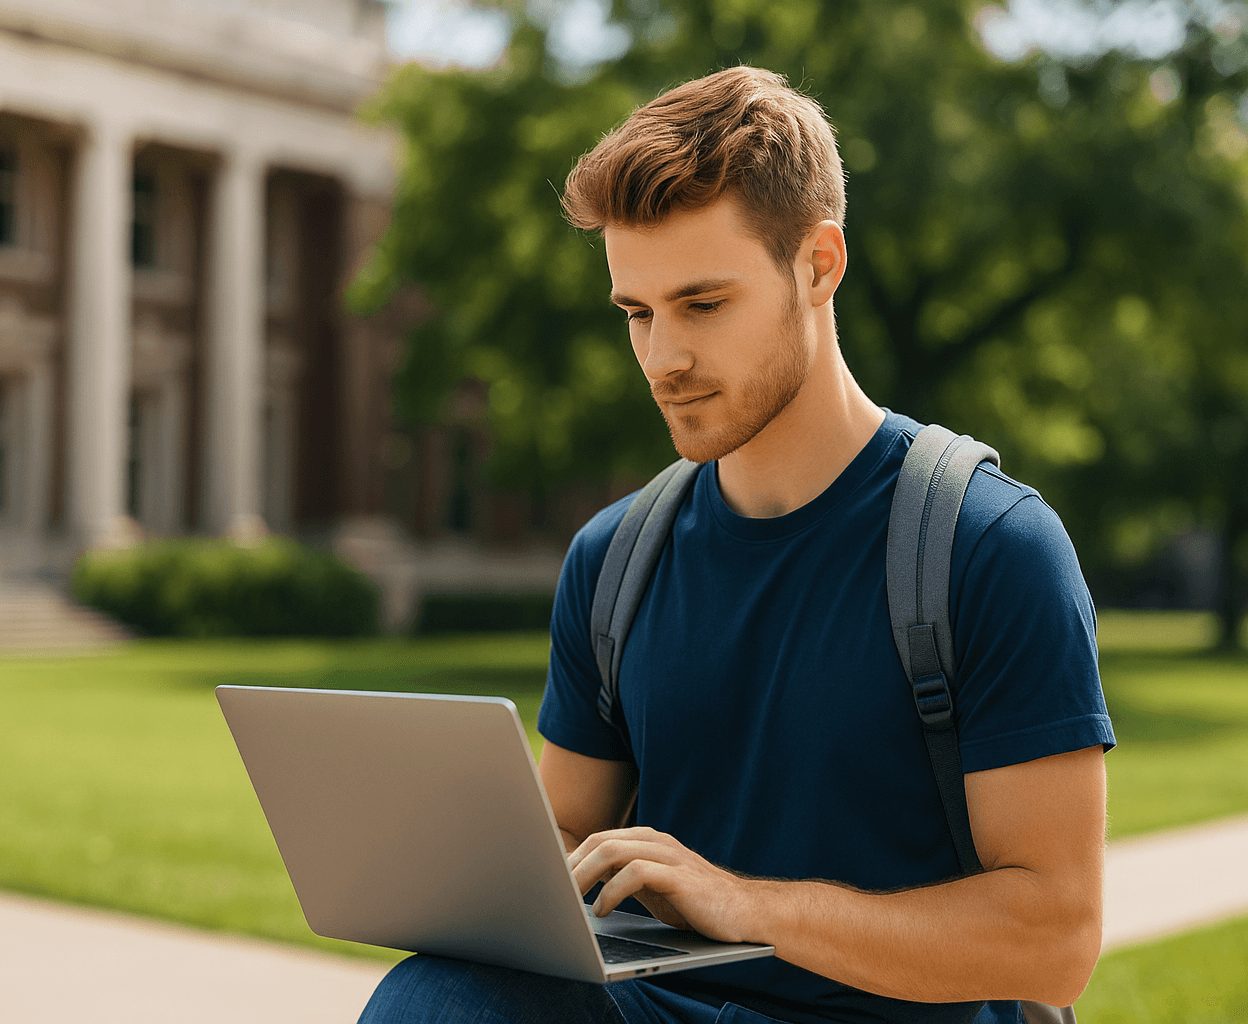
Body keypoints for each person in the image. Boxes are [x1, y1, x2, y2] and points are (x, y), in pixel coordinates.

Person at [359, 65, 1115, 1024]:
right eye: (637, 313)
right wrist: (470, 873)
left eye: (702, 304)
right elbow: (563, 834)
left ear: (819, 265)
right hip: (673, 1012)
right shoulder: (614, 559)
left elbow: (1054, 942)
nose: (663, 359)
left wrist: (752, 908)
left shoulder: (990, 547)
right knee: (434, 1000)